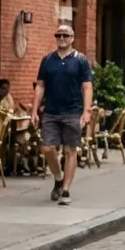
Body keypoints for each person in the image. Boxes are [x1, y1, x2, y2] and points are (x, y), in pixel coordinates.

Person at [31, 24, 93, 206]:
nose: (62, 38)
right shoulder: (48, 60)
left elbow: (87, 86)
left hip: (73, 112)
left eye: (65, 35)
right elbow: (40, 85)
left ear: (72, 38)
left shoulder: (80, 60)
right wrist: (34, 110)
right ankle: (58, 178)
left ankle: (65, 189)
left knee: (70, 150)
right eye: (58, 35)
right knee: (47, 148)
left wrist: (86, 111)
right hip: (51, 111)